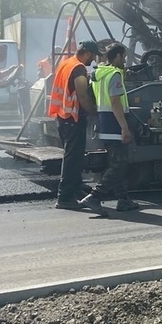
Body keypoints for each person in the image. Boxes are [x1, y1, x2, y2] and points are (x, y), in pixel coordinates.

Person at [81, 42, 140, 212]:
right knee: (119, 164)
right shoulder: (114, 74)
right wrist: (124, 127)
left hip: (104, 123)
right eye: (124, 57)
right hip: (115, 124)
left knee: (116, 162)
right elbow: (115, 102)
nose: (125, 60)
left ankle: (123, 199)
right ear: (119, 56)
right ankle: (94, 197)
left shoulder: (98, 73)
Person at [48, 40, 103, 211]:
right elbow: (82, 96)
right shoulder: (78, 69)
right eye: (93, 57)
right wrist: (95, 113)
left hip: (63, 116)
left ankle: (75, 188)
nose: (93, 60)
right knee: (72, 158)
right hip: (73, 118)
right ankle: (64, 197)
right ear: (87, 53)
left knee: (74, 156)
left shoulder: (66, 63)